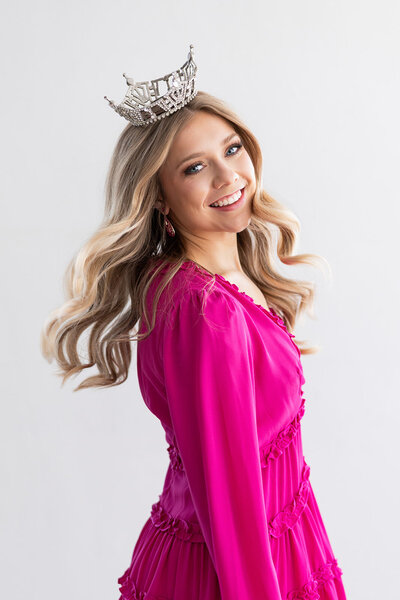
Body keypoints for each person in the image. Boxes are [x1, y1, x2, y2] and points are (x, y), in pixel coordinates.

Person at [41, 45, 347, 599]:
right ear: (159, 198)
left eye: (231, 149)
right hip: (235, 571)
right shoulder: (205, 311)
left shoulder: (214, 280)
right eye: (195, 167)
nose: (229, 176)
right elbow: (229, 497)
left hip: (279, 544)